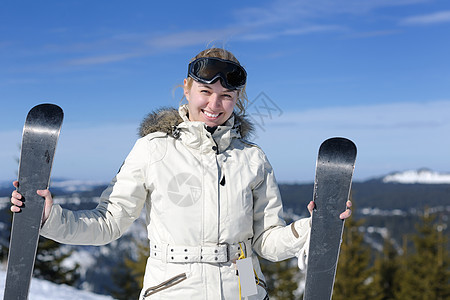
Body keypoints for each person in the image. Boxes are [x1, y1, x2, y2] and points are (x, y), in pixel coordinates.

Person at [11, 47, 352, 299]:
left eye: (226, 96)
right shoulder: (153, 149)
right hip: (175, 287)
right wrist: (48, 218)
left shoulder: (253, 158)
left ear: (237, 100)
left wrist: (313, 227)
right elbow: (108, 223)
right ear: (187, 89)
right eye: (205, 92)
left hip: (246, 285)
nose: (214, 105)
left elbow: (266, 242)